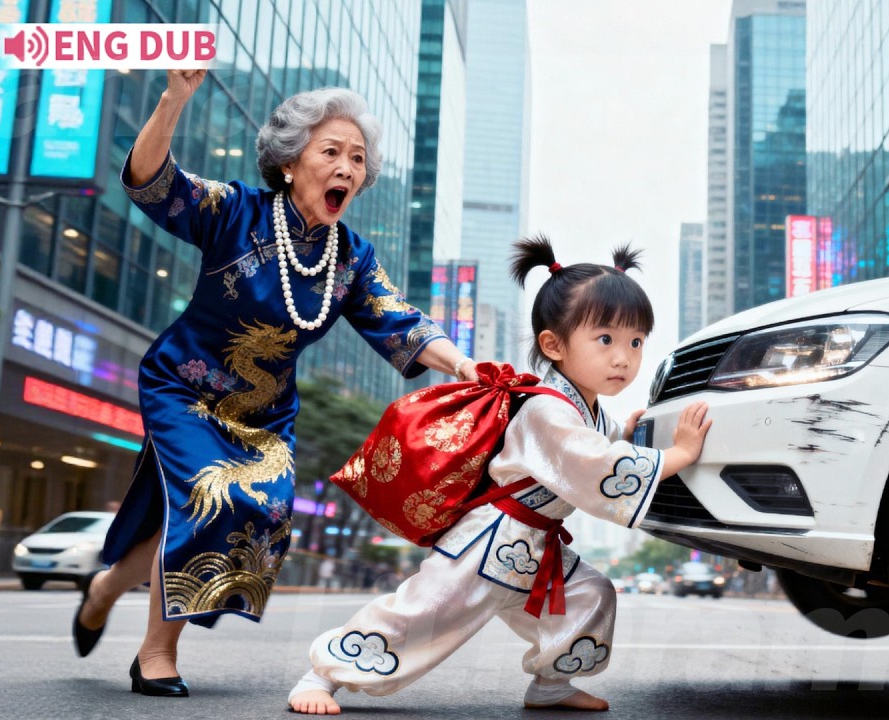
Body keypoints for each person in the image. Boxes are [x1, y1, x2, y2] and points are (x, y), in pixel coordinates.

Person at [71, 70, 485, 697]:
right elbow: (156, 185)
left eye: (357, 158)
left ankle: (104, 587)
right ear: (291, 164)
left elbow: (401, 321)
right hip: (187, 388)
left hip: (265, 414)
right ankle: (155, 655)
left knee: (246, 510)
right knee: (211, 500)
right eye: (331, 152)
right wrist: (174, 100)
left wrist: (463, 365)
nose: (347, 167)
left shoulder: (351, 258)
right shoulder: (234, 212)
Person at [286, 236, 713, 714]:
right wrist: (679, 453)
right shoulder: (548, 410)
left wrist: (628, 433)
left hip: (534, 547)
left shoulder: (581, 408)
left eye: (636, 342)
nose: (624, 357)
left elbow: (602, 444)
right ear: (553, 345)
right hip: (487, 541)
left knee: (590, 594)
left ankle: (553, 684)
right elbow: (600, 466)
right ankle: (322, 674)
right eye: (606, 339)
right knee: (421, 614)